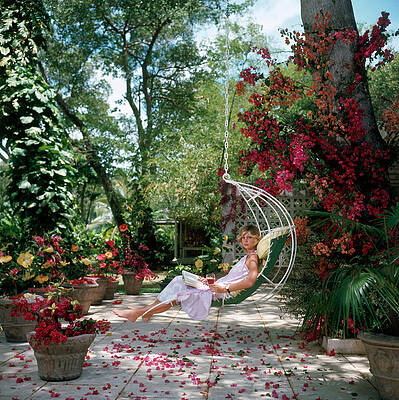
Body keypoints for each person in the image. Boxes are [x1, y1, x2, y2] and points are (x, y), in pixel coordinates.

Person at [112, 224, 260, 322]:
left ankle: (138, 313)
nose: (246, 240)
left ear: (257, 239)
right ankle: (146, 311)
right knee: (178, 279)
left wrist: (224, 288)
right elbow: (233, 277)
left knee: (178, 294)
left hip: (219, 292)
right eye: (244, 237)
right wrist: (209, 281)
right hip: (216, 287)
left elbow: (250, 281)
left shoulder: (252, 259)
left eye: (250, 237)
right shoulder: (247, 256)